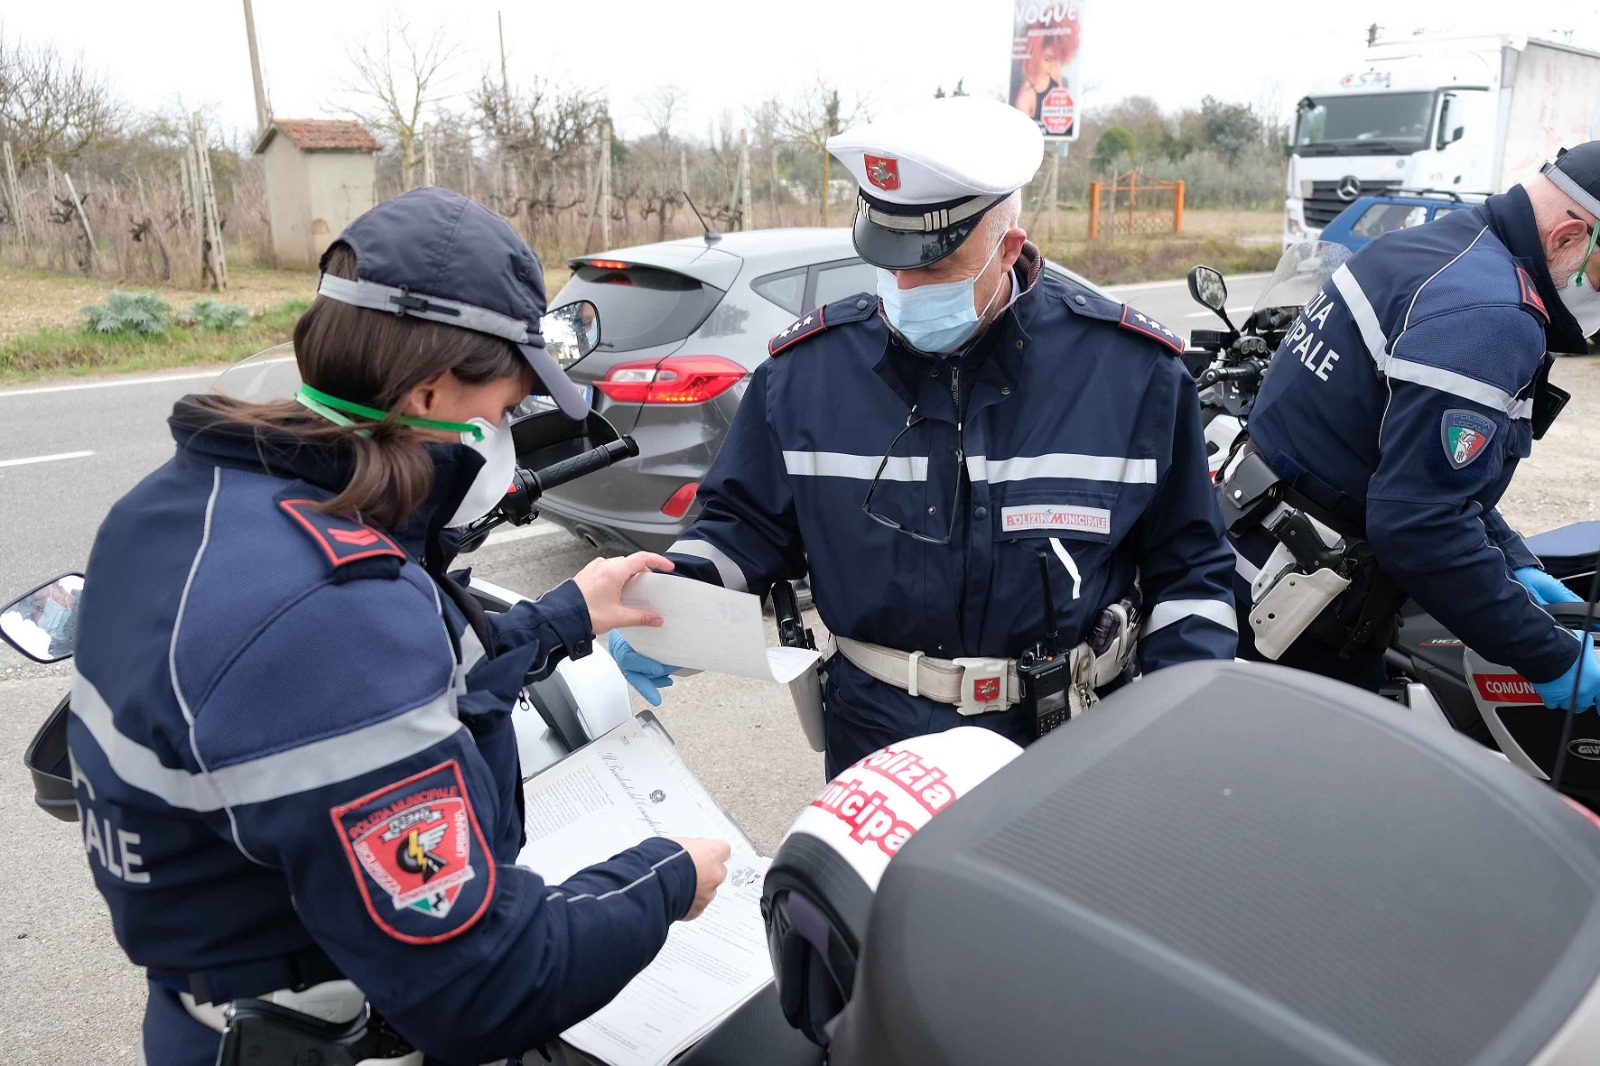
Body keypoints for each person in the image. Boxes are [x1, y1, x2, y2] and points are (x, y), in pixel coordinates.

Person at [67, 188, 730, 1066]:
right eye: (502, 409)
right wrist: (665, 877)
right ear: (429, 388)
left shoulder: (187, 504)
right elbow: (485, 987)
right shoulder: (333, 610)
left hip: (212, 1008)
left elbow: (353, 683)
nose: (502, 432)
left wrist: (562, 618)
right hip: (331, 1038)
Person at [612, 97, 1237, 777]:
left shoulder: (1132, 375)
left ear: (1008, 247)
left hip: (1065, 745)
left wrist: (1187, 730)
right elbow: (743, 528)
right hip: (878, 747)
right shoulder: (804, 377)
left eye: (933, 268)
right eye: (888, 262)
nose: (904, 288)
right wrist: (672, 600)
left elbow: (1192, 569)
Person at [1226, 143, 1600, 709]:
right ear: (1568, 238)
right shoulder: (1493, 313)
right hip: (1299, 621)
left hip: (1244, 563)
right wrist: (1553, 659)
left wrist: (1514, 563)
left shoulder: (1431, 246)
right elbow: (1420, 525)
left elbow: (1415, 459)